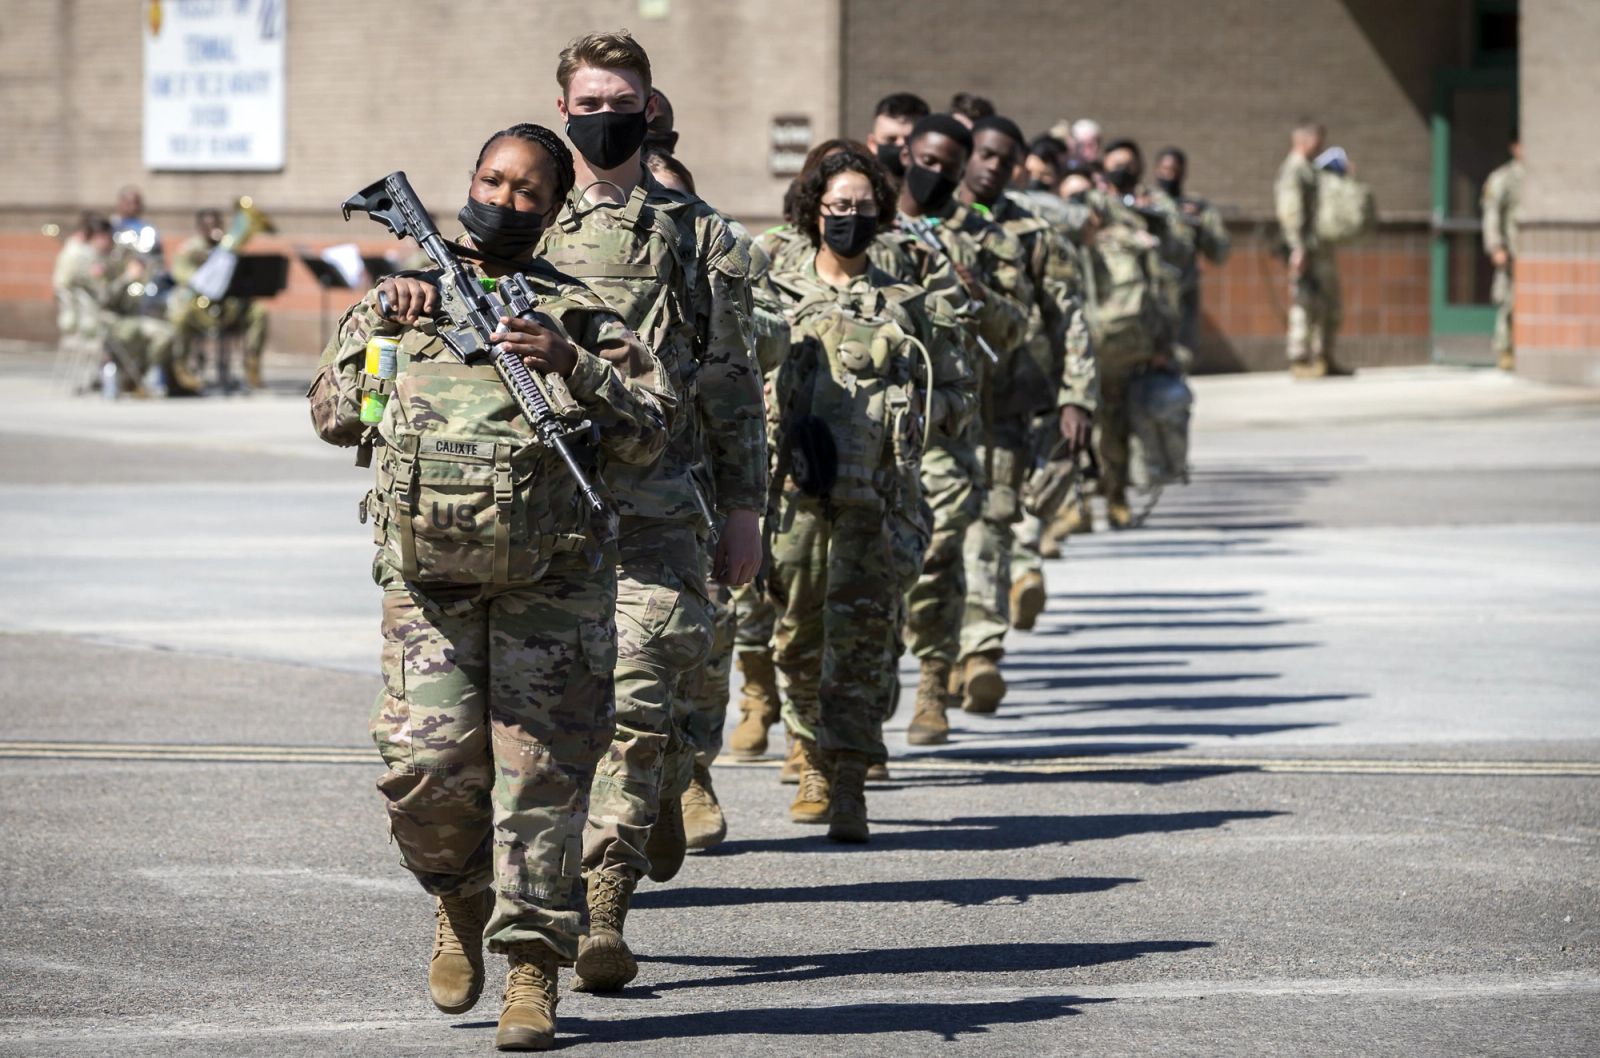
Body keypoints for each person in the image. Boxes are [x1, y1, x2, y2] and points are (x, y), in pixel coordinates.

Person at [306, 122, 673, 1051]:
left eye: (527, 191)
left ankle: (533, 973)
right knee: (426, 775)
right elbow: (336, 419)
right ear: (469, 181)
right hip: (429, 587)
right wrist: (384, 327)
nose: (504, 200)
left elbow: (653, 432)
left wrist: (572, 363)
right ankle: (458, 897)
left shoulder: (575, 312)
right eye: (492, 181)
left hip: (552, 586)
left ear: (553, 209)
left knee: (542, 782)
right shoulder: (404, 299)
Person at [535, 30, 766, 994]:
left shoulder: (701, 236)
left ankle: (603, 909)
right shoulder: (525, 223)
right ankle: (652, 789)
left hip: (662, 507)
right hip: (544, 510)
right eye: (589, 103)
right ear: (563, 110)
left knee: (634, 703)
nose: (604, 118)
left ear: (649, 108)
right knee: (554, 717)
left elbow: (733, 383)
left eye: (621, 103)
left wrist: (746, 507)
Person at [763, 150, 970, 841]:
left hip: (876, 502)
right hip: (794, 502)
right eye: (838, 206)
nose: (849, 217)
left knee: (863, 639)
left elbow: (960, 397)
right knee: (796, 635)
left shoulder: (910, 305)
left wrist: (917, 408)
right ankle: (808, 755)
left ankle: (849, 777)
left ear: (881, 213)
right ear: (814, 211)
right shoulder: (776, 296)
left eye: (862, 206)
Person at [867, 114, 1028, 744]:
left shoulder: (981, 238)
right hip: (867, 425)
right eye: (927, 161)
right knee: (870, 566)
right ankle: (868, 705)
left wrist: (976, 293)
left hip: (944, 428)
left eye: (949, 168)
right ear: (907, 154)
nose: (935, 174)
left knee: (935, 556)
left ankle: (934, 681)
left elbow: (1016, 328)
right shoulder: (868, 221)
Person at [934, 114, 1097, 733]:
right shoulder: (925, 223)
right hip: (935, 411)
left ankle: (980, 651)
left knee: (992, 522)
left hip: (1003, 406)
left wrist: (1076, 398)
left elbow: (1068, 318)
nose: (993, 166)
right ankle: (940, 656)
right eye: (985, 153)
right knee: (939, 536)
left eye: (1006, 158)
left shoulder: (1033, 235)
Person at [168, 208, 271, 390]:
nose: (214, 229)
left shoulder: (229, 249)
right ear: (200, 228)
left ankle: (252, 363)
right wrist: (208, 271)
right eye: (208, 226)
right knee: (179, 317)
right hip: (199, 308)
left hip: (227, 307)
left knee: (259, 312)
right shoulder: (190, 250)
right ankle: (181, 366)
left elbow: (241, 279)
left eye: (217, 225)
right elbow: (182, 276)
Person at [1276, 119, 1347, 378]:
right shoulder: (1294, 170)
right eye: (1317, 139)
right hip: (1305, 249)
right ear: (1302, 139)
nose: (1320, 144)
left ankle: (1323, 357)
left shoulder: (1310, 169)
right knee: (1304, 302)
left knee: (1327, 302)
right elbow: (1290, 211)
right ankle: (1299, 359)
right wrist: (1297, 248)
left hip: (1319, 248)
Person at [1151, 147, 1231, 355]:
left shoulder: (1195, 206)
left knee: (1183, 352)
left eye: (1174, 170)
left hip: (1185, 289)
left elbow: (1220, 252)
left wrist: (1200, 226)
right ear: (1156, 170)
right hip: (1153, 290)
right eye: (1165, 169)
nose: (1169, 175)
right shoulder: (1146, 202)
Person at [1482, 134, 1523, 372]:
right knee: (1508, 299)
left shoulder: (1537, 176)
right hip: (1511, 250)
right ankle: (1505, 349)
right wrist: (1496, 246)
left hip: (1530, 252)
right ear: (1514, 147)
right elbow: (1492, 214)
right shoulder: (1503, 178)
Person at [864, 91, 930, 181]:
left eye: (910, 139)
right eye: (891, 139)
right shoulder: (863, 185)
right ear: (872, 144)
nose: (901, 144)